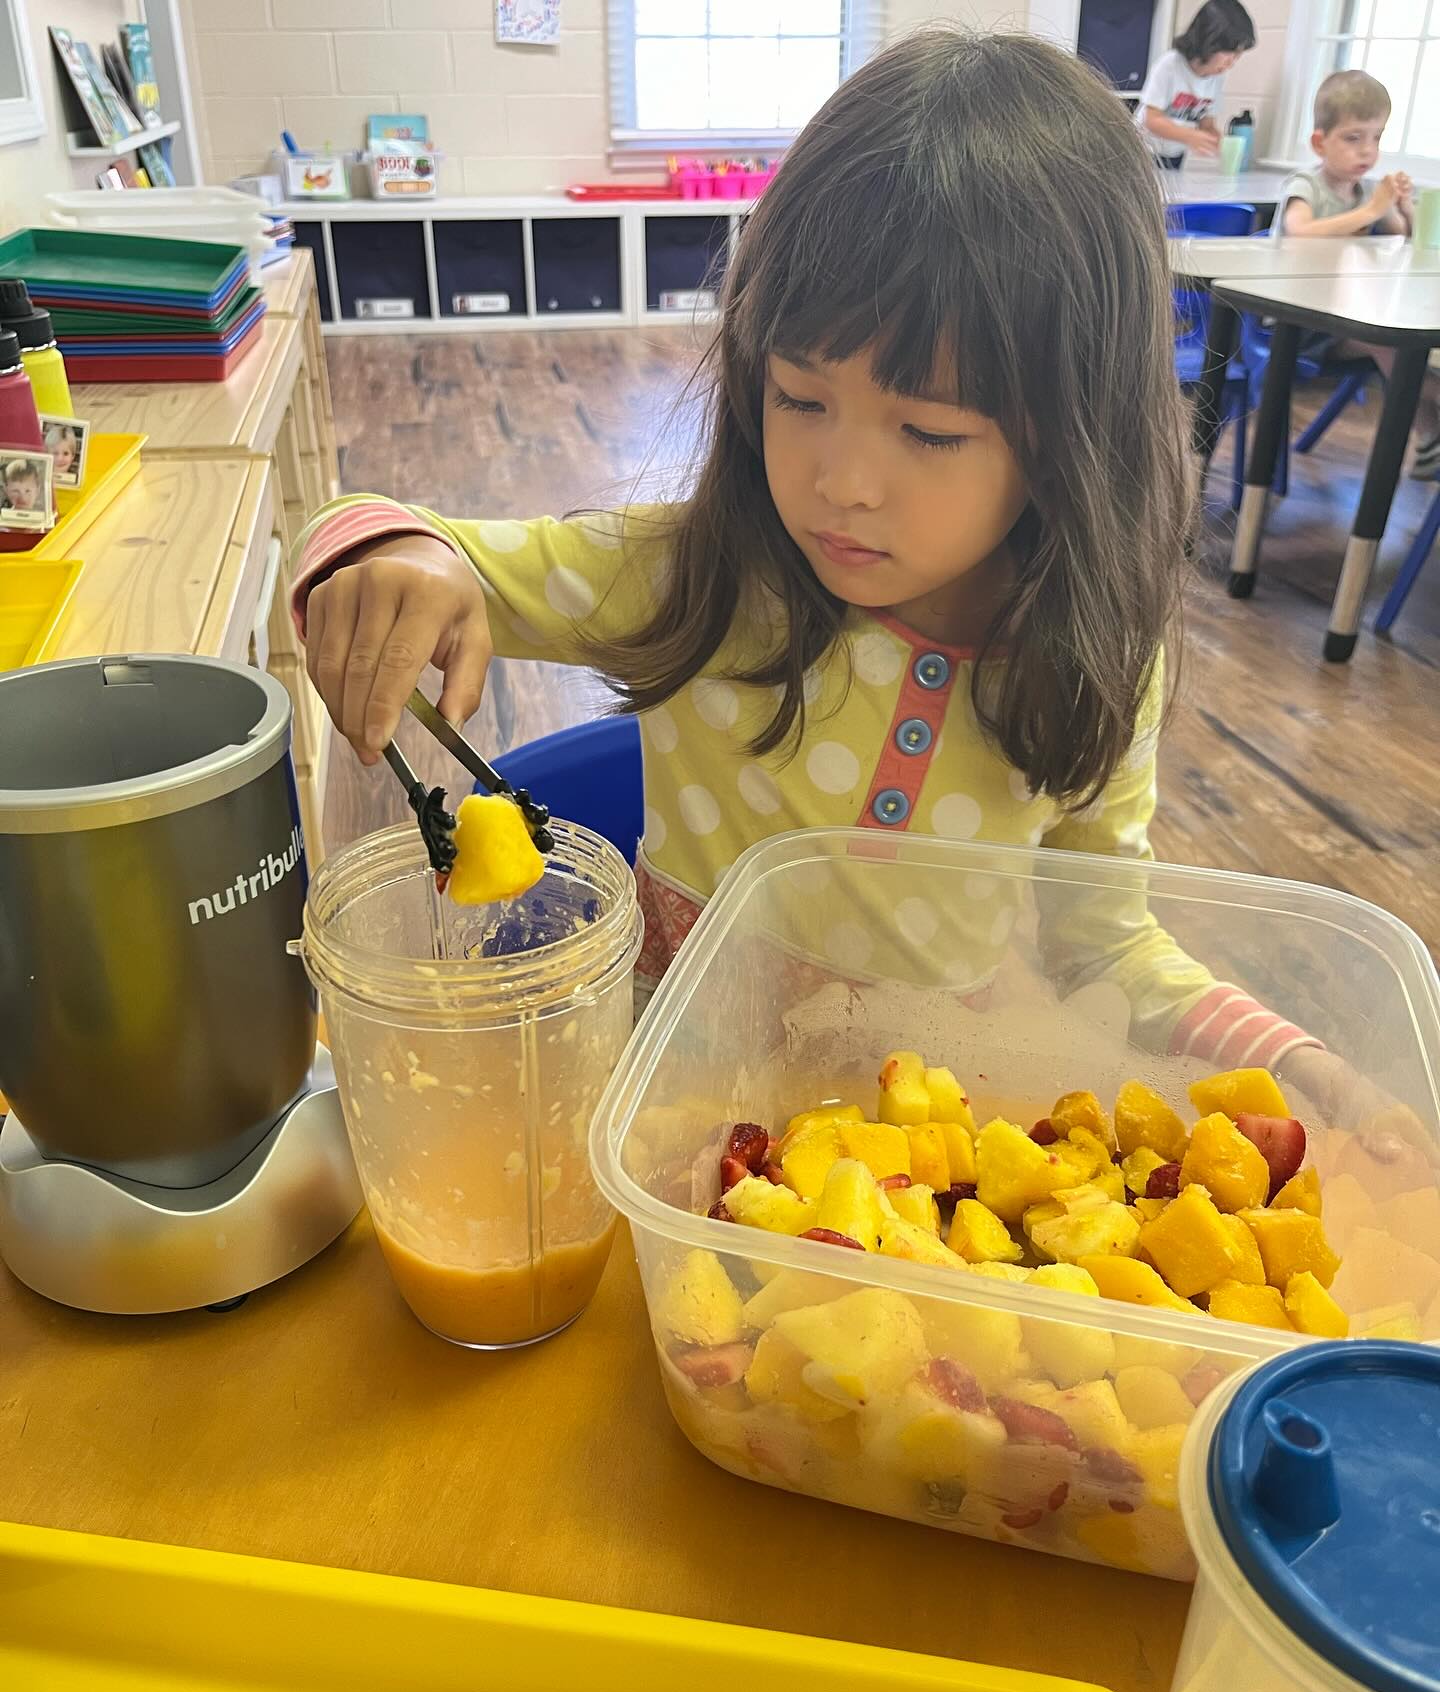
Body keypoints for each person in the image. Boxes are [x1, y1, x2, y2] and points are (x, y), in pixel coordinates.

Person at [292, 30, 1367, 1118]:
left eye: (930, 431)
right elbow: (384, 526)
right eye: (800, 400)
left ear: (1070, 438)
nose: (841, 483)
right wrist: (395, 556)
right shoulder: (695, 576)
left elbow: (1114, 946)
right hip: (675, 1104)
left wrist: (1296, 1063)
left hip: (930, 1136)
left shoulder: (1093, 663)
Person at [1275, 69, 1438, 476]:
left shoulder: (1366, 191)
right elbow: (1299, 232)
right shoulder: (1307, 186)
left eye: (1377, 138)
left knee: (1399, 342)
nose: (1367, 150)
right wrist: (1368, 212)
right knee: (1388, 341)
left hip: (1349, 319)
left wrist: (1400, 207)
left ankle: (1427, 439)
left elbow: (1400, 238)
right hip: (1300, 326)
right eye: (1353, 138)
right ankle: (1429, 436)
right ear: (1319, 142)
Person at [1138, 0, 1255, 169]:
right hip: (1144, 151)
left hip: (1174, 156)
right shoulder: (1170, 65)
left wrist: (1217, 141)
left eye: (1237, 55)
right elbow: (1152, 120)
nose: (1232, 62)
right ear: (1208, 41)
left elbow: (1206, 124)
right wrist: (1191, 136)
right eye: (1229, 52)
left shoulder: (1216, 78)